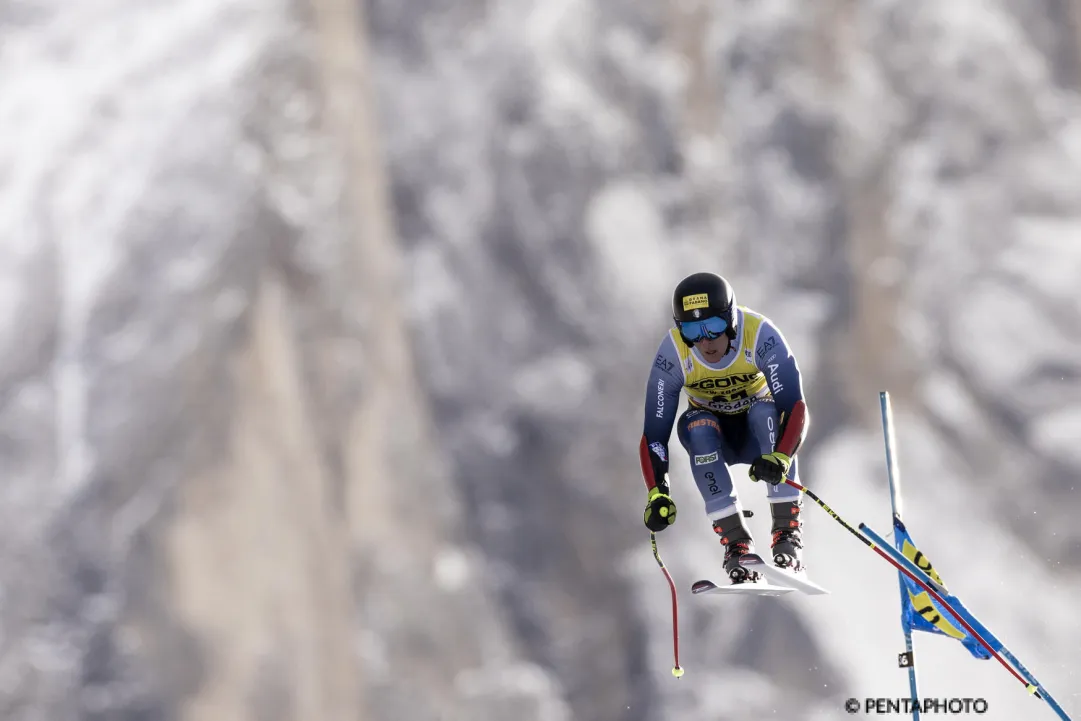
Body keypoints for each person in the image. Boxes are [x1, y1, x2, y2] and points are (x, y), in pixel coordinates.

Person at [639, 271, 810, 583]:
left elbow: (795, 407)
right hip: (714, 434)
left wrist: (782, 457)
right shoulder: (673, 353)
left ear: (731, 319)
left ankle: (787, 536)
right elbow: (654, 435)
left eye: (713, 327)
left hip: (761, 433)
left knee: (764, 412)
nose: (705, 341)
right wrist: (657, 492)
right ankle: (736, 545)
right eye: (692, 330)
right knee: (698, 427)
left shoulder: (759, 334)